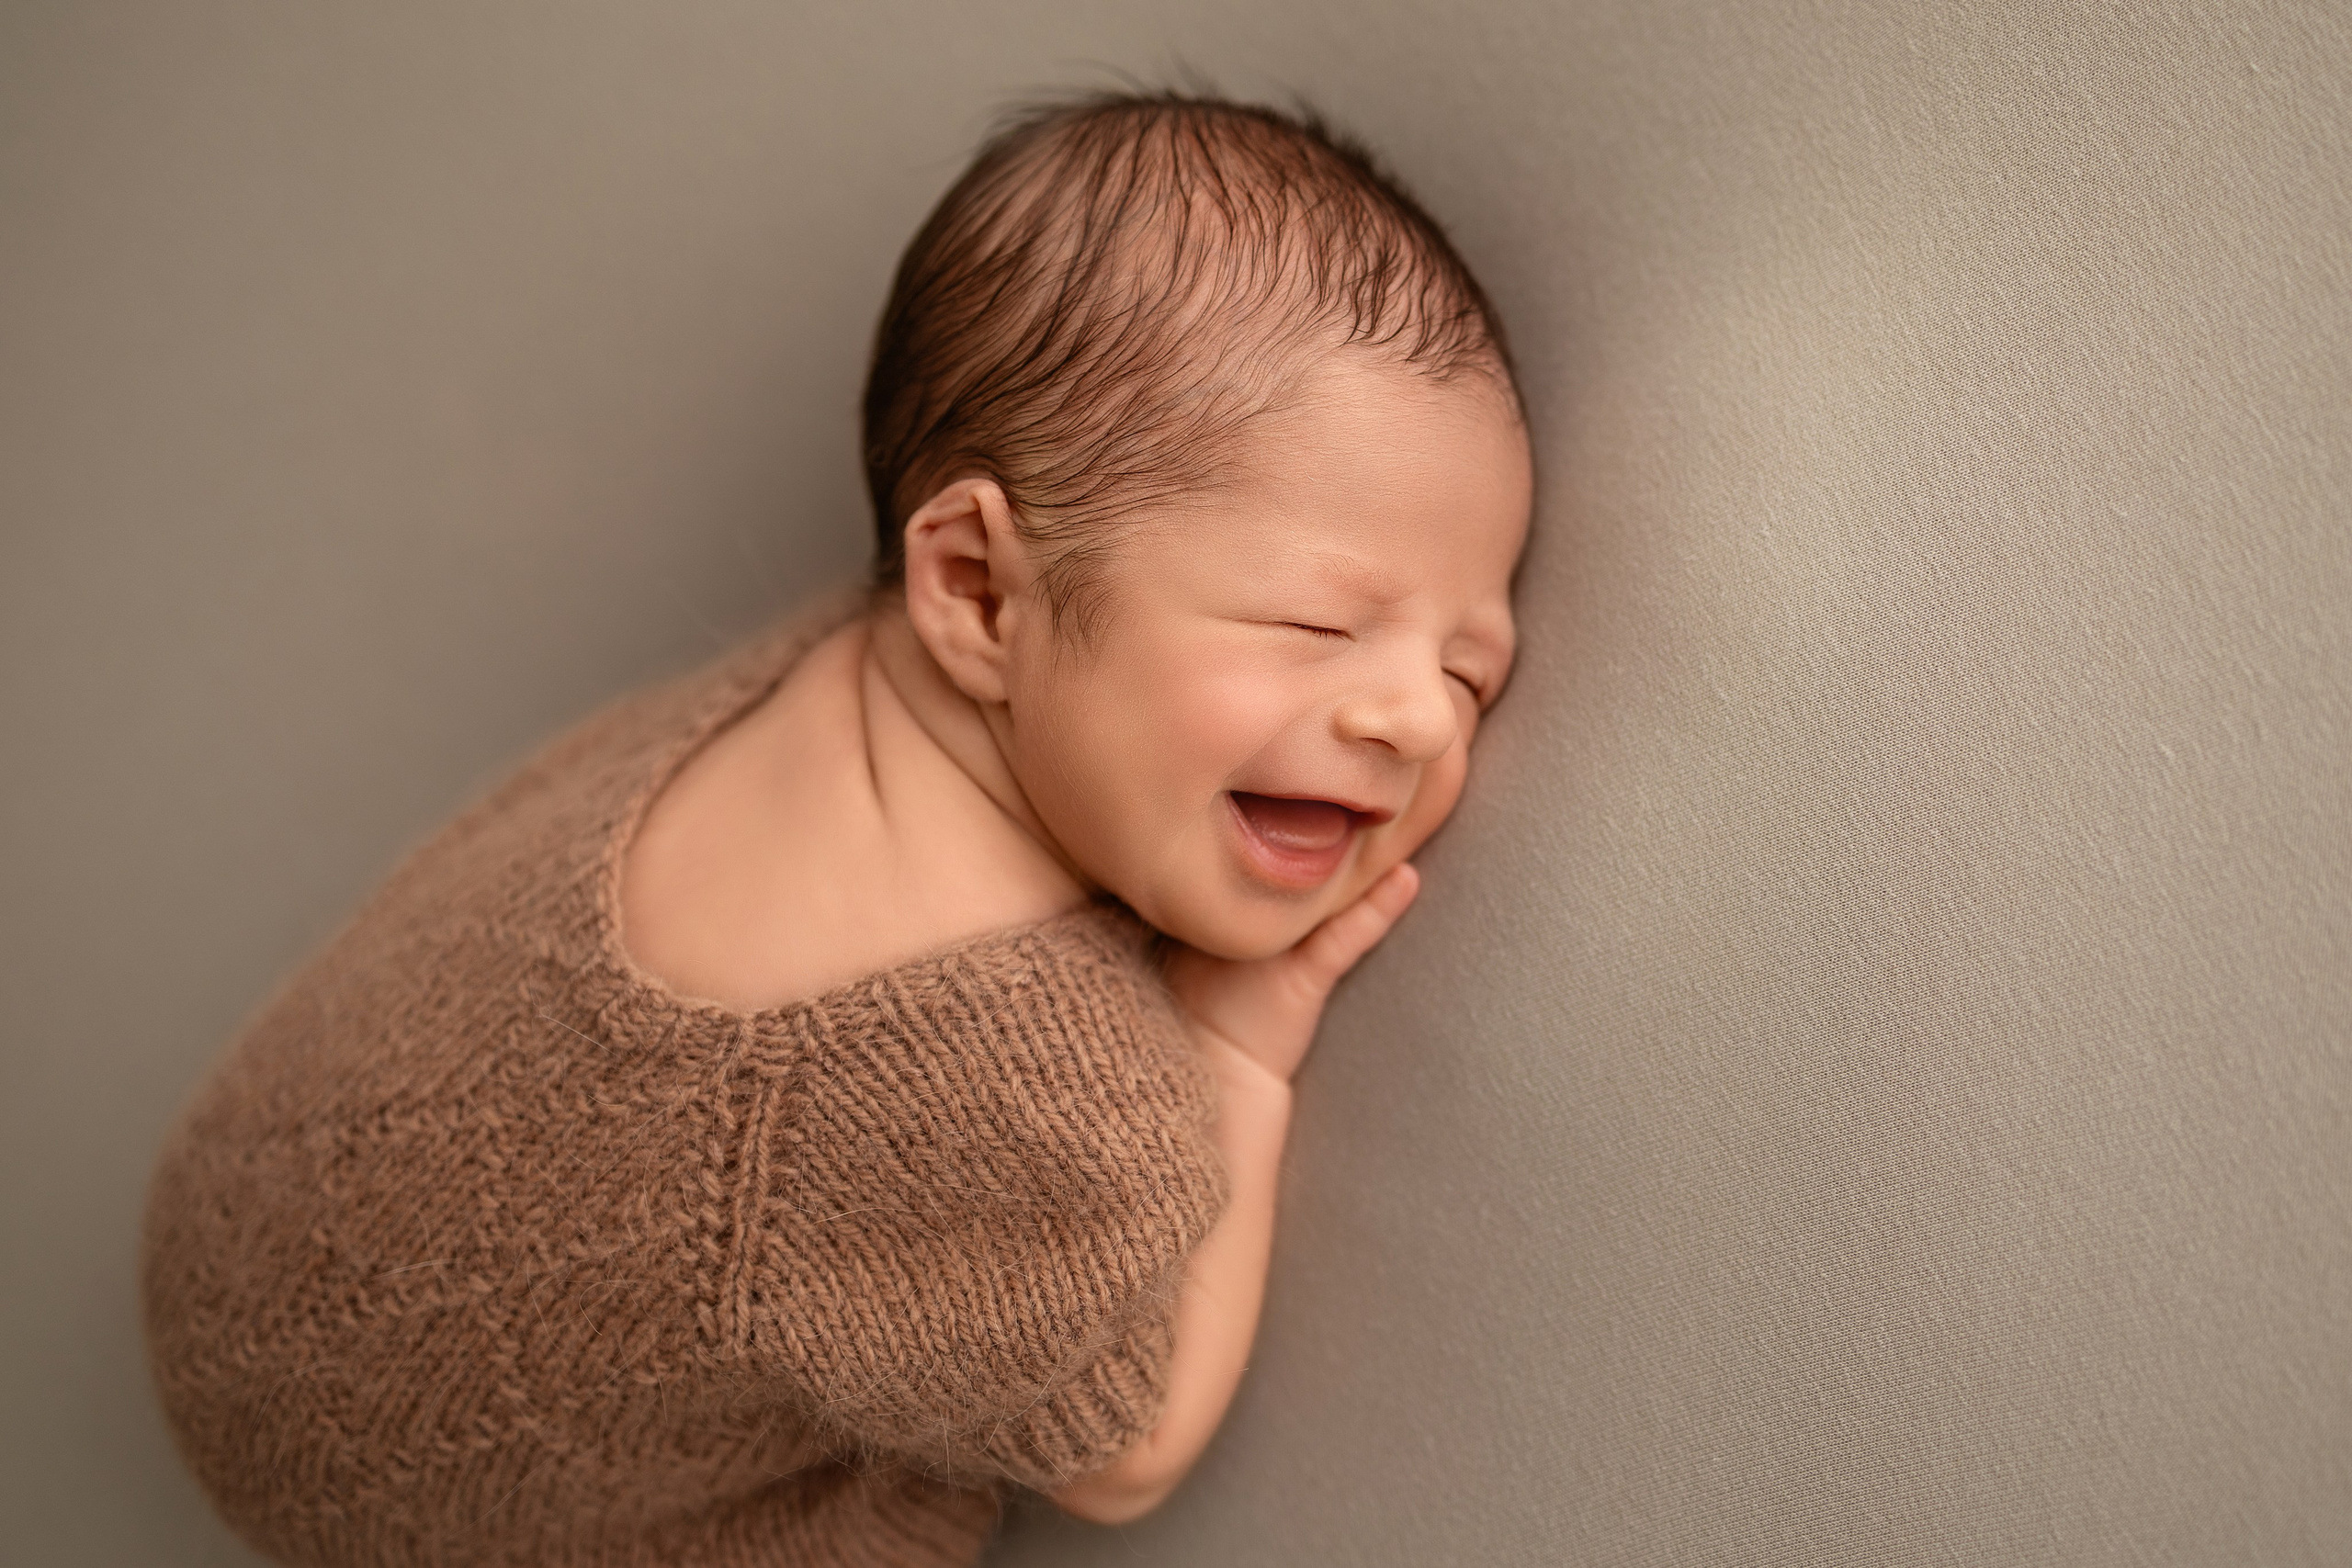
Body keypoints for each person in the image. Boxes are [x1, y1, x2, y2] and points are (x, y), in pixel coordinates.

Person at [141, 88, 1532, 1567]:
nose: (1422, 721)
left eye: (1470, 667)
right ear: (978, 591)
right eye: (1317, 624)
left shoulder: (831, 677)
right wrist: (1236, 1051)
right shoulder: (1036, 1097)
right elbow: (1126, 1457)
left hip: (232, 1212)